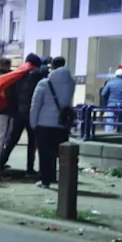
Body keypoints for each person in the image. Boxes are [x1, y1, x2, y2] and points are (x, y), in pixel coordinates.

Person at [29, 56, 76, 189]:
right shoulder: (71, 82)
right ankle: (63, 180)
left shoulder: (44, 83)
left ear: (52, 67)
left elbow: (35, 105)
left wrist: (33, 123)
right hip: (62, 123)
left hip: (44, 124)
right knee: (60, 153)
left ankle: (45, 180)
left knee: (44, 153)